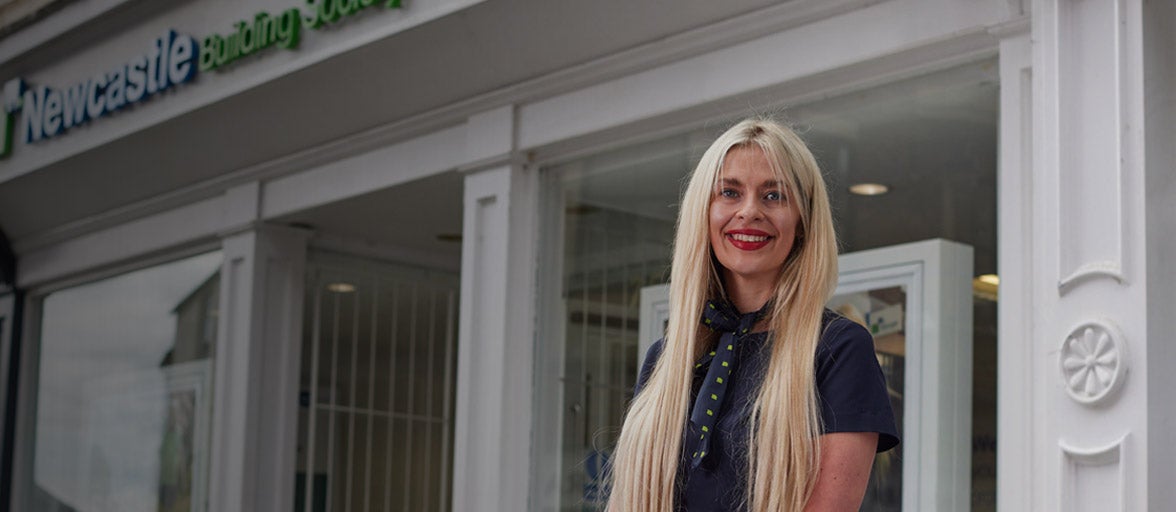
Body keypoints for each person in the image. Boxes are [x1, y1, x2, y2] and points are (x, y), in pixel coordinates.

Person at [606, 118, 899, 511]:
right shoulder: (667, 358)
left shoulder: (838, 349)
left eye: (774, 196)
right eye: (729, 192)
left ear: (803, 221)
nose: (749, 212)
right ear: (704, 212)